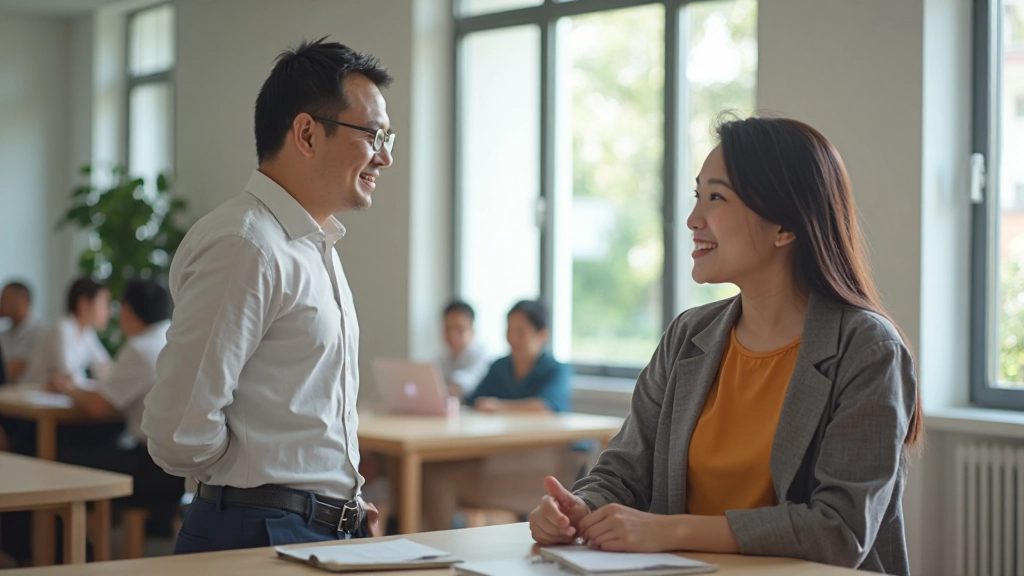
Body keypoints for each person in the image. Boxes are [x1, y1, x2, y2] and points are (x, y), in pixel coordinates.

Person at [527, 117, 921, 575]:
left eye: (716, 198)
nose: (693, 219)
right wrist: (579, 509)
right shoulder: (688, 335)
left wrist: (672, 530)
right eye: (697, 196)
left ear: (784, 226)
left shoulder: (867, 349)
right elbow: (623, 474)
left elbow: (838, 531)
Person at [142, 38, 395, 554]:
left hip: (312, 527)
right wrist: (262, 486)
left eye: (388, 138)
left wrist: (329, 503)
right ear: (307, 133)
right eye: (373, 135)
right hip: (255, 530)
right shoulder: (245, 244)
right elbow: (178, 431)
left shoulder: (312, 244)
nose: (385, 156)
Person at [421, 300, 576, 531]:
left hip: (539, 467)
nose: (512, 338)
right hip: (495, 458)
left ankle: (435, 546)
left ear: (542, 335)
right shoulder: (499, 367)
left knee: (436, 478)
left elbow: (546, 406)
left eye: (520, 332)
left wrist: (500, 406)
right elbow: (476, 402)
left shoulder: (556, 370)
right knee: (428, 469)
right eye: (509, 330)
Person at [54, 279, 183, 535]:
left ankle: (69, 544)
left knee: (60, 459)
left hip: (154, 468)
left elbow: (98, 407)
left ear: (129, 310)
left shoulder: (140, 347)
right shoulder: (172, 339)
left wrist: (67, 389)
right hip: (180, 466)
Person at [20, 277, 112, 387]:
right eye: (103, 304)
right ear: (83, 303)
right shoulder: (61, 329)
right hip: (31, 392)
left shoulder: (87, 333)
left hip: (54, 394)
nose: (107, 312)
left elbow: (104, 367)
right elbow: (69, 374)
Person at [438, 300, 490, 398]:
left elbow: (467, 383)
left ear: (472, 330)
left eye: (459, 329)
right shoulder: (442, 358)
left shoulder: (482, 356)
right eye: (448, 329)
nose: (453, 336)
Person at [0, 281, 45, 382]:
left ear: (23, 300)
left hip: (25, 390)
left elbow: (15, 368)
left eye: (5, 297)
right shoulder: (2, 335)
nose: (1, 302)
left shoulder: (39, 334)